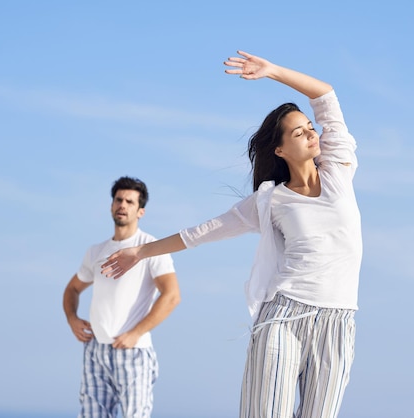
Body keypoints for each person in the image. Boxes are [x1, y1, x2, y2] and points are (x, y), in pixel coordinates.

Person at [102, 51, 362, 418]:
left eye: (310, 127)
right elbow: (203, 232)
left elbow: (326, 97)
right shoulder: (269, 201)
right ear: (280, 149)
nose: (310, 133)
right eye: (298, 131)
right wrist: (140, 253)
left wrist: (273, 71)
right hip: (283, 317)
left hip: (338, 321)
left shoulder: (339, 169)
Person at [63, 176, 180, 418]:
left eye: (129, 201)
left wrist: (136, 333)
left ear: (141, 211)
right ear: (111, 205)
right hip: (95, 350)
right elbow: (72, 289)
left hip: (133, 351)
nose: (122, 205)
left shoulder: (150, 247)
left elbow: (172, 295)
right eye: (118, 200)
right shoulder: (96, 251)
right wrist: (72, 318)